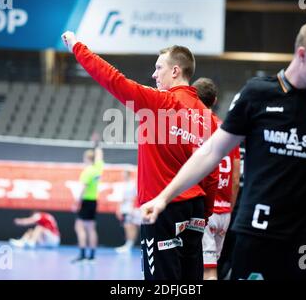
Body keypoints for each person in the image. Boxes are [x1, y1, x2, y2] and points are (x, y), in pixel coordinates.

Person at [141, 19, 306, 280]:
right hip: (257, 232)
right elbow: (210, 152)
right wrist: (164, 197)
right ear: (302, 55)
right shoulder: (257, 95)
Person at [62, 31, 218, 280]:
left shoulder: (160, 102)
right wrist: (205, 212)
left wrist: (77, 47)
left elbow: (113, 79)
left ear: (175, 71)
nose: (154, 74)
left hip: (163, 209)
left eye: (159, 68)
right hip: (195, 211)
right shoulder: (207, 116)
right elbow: (212, 172)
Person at [193, 77, 241, 280]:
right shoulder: (228, 130)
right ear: (215, 100)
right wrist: (229, 207)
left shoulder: (194, 128)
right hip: (225, 211)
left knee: (206, 271)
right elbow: (236, 176)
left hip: (205, 210)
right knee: (212, 267)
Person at [72, 141, 104, 263]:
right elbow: (100, 156)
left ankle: (82, 255)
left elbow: (83, 188)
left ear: (86, 158)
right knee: (91, 228)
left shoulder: (87, 171)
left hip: (86, 201)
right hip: (94, 201)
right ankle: (92, 256)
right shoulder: (98, 169)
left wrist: (76, 203)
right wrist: (97, 145)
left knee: (79, 227)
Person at [115, 170, 140, 253]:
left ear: (128, 174)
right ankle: (128, 244)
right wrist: (119, 209)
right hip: (124, 208)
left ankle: (129, 245)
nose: (123, 175)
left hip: (130, 209)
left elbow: (135, 197)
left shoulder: (132, 184)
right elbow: (121, 198)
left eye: (124, 174)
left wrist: (133, 208)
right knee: (126, 226)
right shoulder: (123, 185)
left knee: (130, 226)